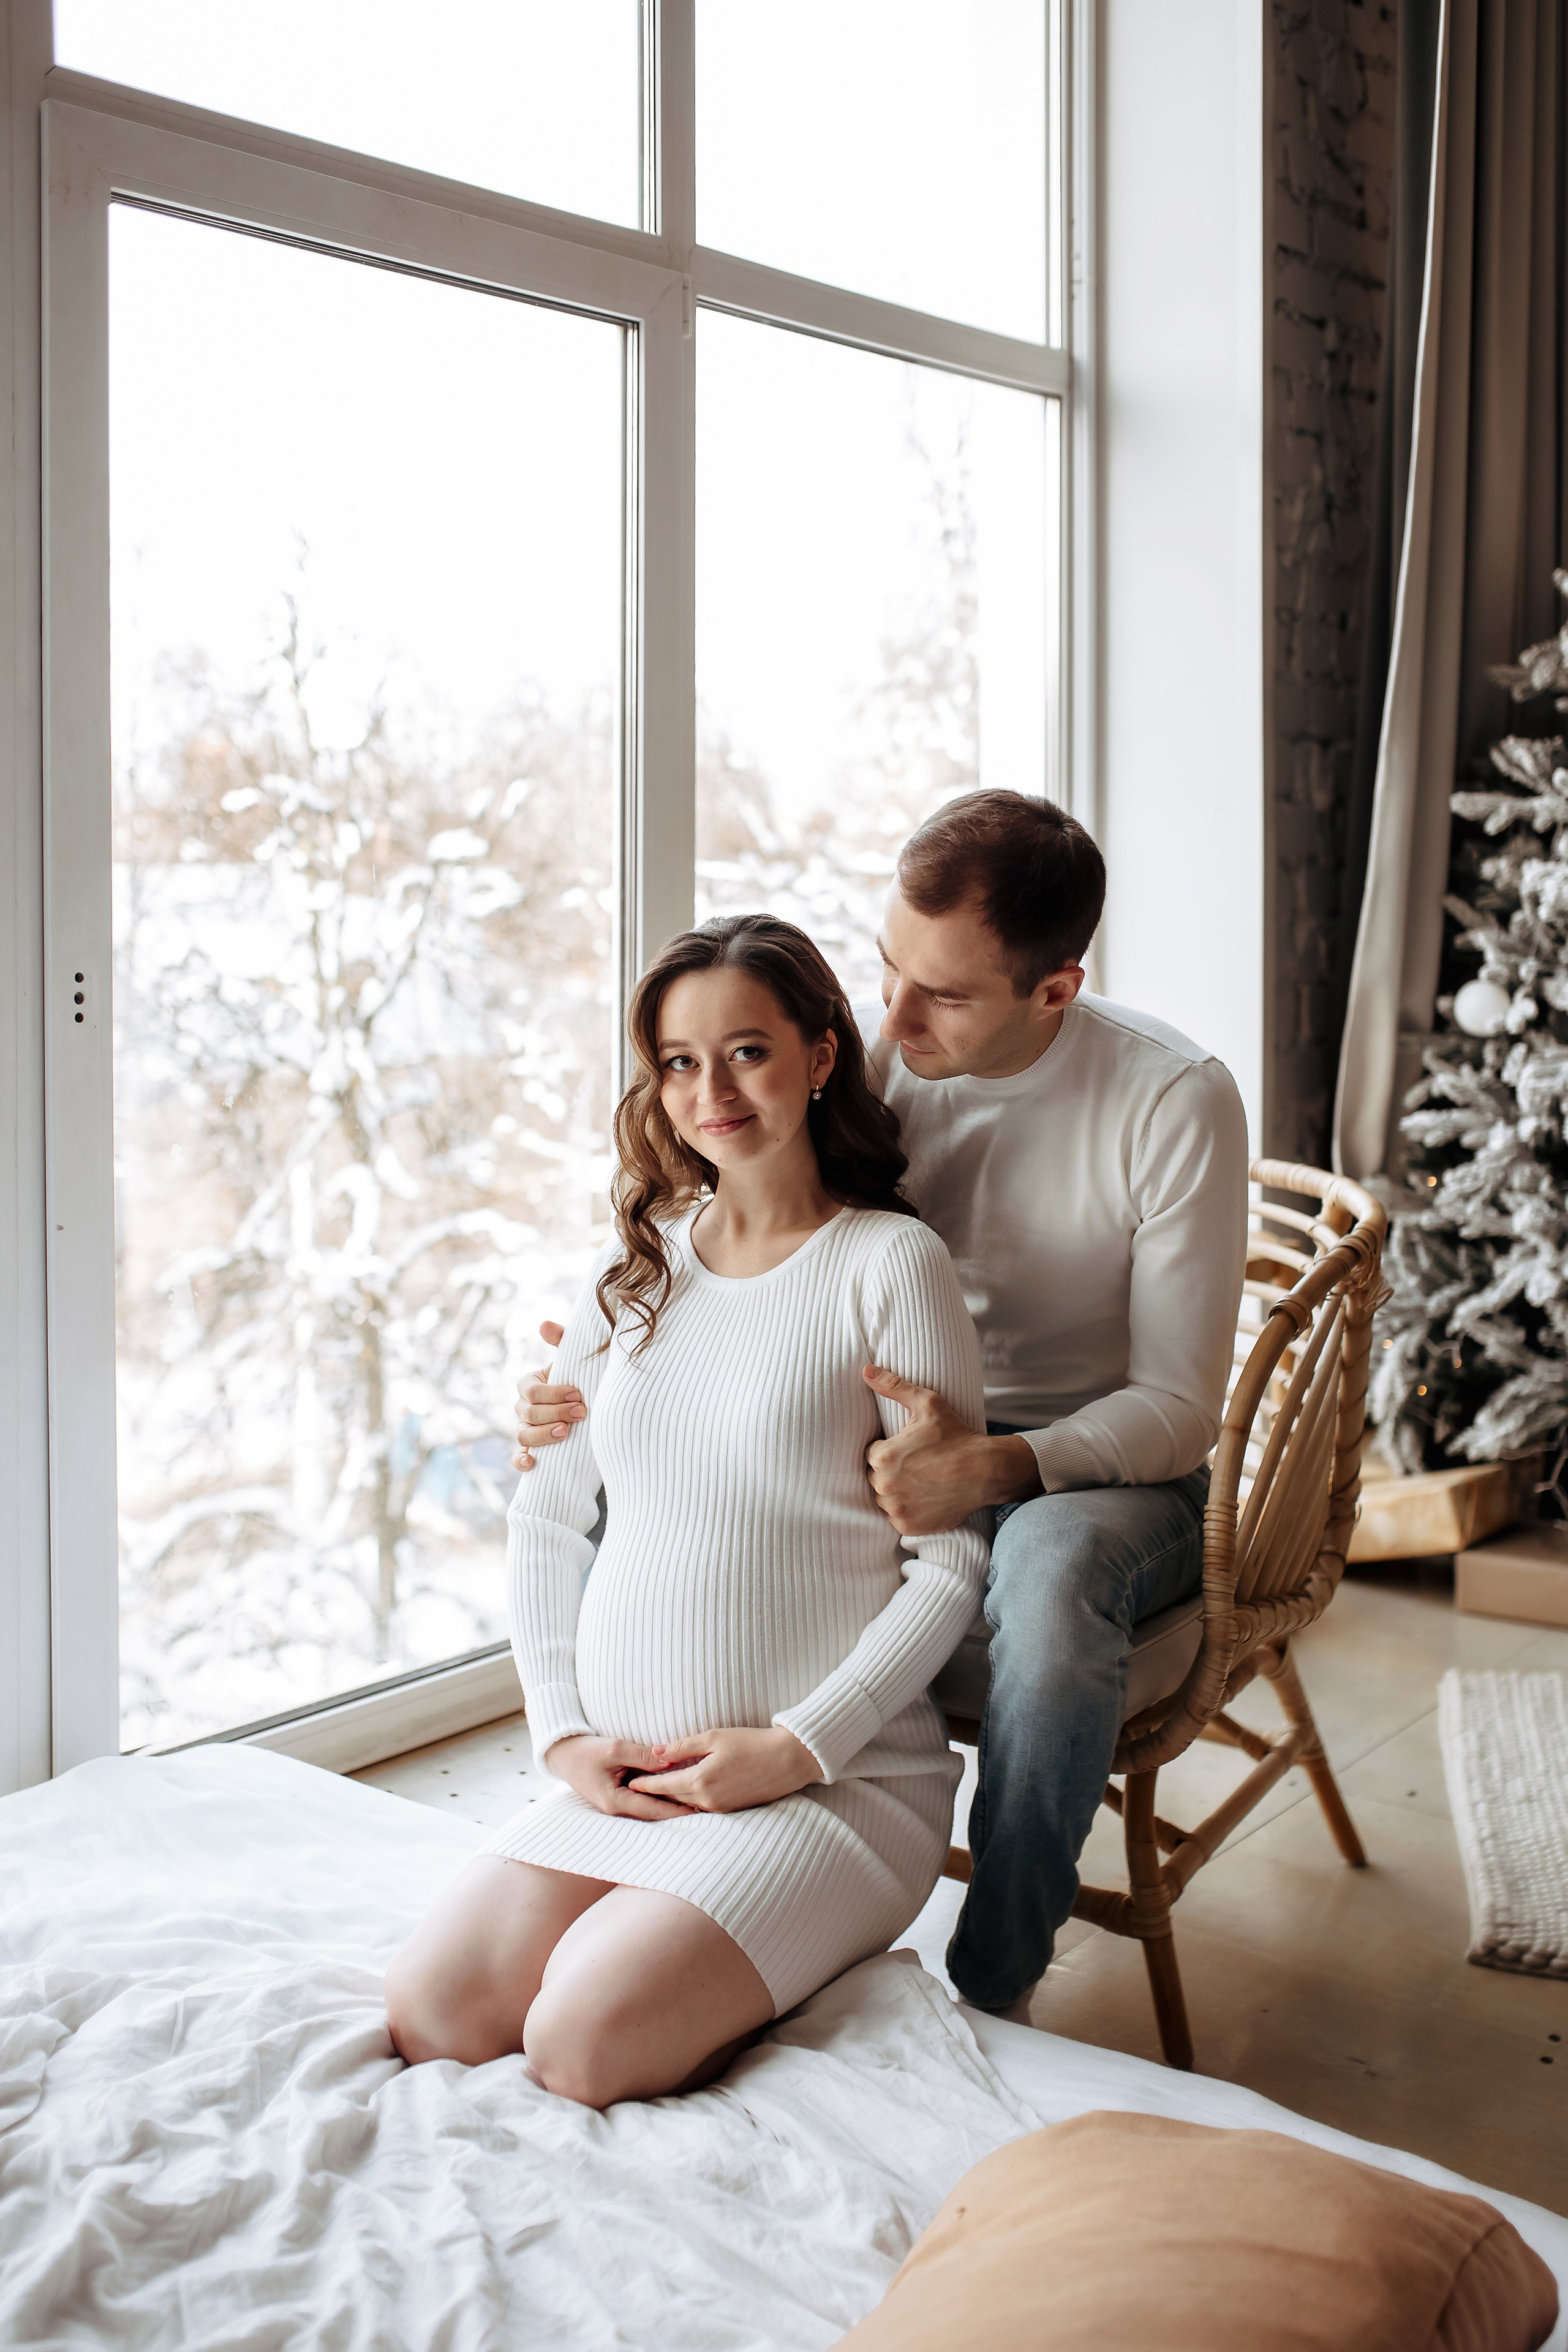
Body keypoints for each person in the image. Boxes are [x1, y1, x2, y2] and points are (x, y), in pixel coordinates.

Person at [516, 791, 1249, 2021]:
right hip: (887, 1420)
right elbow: (730, 1226)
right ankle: (646, 1814)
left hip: (1103, 1462)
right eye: (887, 972)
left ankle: (991, 1985)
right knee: (637, 1488)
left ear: (1054, 991)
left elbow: (1179, 1407)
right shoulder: (871, 1064)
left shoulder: (1172, 1101)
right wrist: (592, 1378)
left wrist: (994, 1471)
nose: (893, 1020)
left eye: (945, 995)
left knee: (1048, 1586)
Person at [385, 914, 987, 2105]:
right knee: (434, 2015)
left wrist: (797, 1747)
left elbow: (948, 1565)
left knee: (582, 2047)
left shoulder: (887, 1266)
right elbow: (546, 1519)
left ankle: (754, 1946)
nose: (709, 1090)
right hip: (627, 1778)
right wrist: (559, 1734)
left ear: (820, 1057)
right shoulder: (634, 1268)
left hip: (830, 1788)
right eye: (676, 1061)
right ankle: (676, 1934)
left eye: (746, 1052)